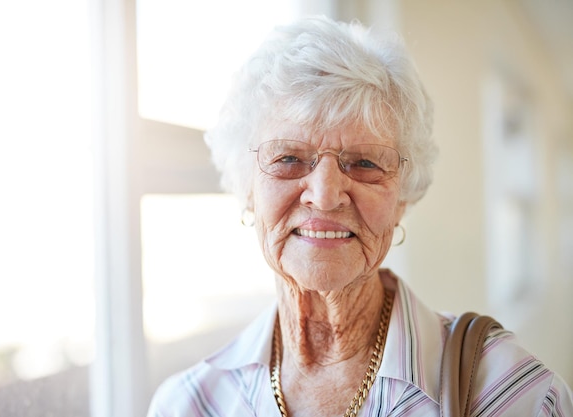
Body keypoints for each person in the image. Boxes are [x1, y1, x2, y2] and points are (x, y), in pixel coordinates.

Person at [147, 15, 573, 417]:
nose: (326, 195)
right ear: (247, 190)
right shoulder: (188, 404)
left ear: (402, 196)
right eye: (290, 157)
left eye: (365, 163)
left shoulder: (513, 395)